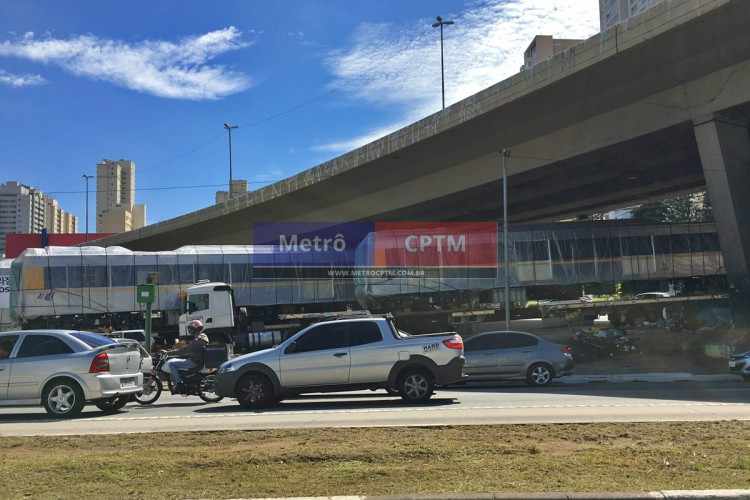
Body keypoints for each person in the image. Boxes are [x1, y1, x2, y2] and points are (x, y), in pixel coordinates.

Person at [162, 320, 209, 393]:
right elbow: (189, 349)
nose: (189, 330)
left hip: (195, 362)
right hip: (195, 360)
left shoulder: (200, 338)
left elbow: (186, 350)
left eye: (190, 328)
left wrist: (169, 353)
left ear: (195, 329)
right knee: (175, 361)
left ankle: (179, 384)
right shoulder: (200, 337)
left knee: (171, 364)